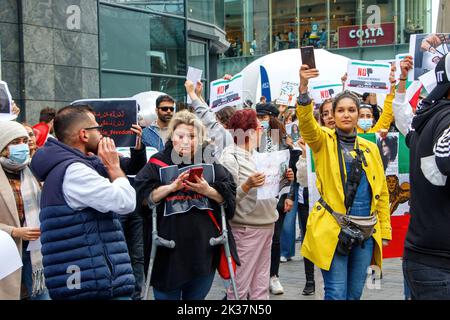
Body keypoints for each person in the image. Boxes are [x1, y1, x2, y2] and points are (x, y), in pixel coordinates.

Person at [296, 64, 392, 300]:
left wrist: (386, 230)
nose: (346, 114)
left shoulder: (370, 147)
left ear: (359, 114)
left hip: (367, 232)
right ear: (333, 115)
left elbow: (381, 193)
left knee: (354, 294)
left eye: (351, 110)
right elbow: (307, 125)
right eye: (340, 110)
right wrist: (303, 88)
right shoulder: (322, 141)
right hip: (334, 229)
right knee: (336, 293)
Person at [30, 104, 137, 300]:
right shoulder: (74, 171)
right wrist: (113, 167)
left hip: (88, 281)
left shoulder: (68, 167)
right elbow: (125, 202)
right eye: (97, 128)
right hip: (92, 285)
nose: (102, 134)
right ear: (84, 135)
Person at [134, 110, 237, 300]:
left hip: (203, 252)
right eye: (180, 135)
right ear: (172, 136)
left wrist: (208, 191)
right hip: (167, 254)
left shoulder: (211, 162)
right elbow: (142, 199)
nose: (186, 141)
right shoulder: (157, 162)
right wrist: (170, 188)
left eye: (192, 136)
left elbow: (229, 200)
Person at [400, 53, 450, 299]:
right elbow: (446, 155)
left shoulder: (429, 118)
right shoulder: (445, 117)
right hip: (438, 265)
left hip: (428, 259)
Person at [220, 109, 281, 299]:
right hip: (246, 228)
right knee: (240, 285)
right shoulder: (230, 157)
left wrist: (284, 180)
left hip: (266, 224)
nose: (262, 129)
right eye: (259, 126)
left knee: (260, 286)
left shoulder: (257, 155)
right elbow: (226, 199)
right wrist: (247, 185)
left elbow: (268, 191)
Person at [0, 121, 49, 300]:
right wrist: (14, 231)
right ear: (3, 146)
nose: (22, 146)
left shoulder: (33, 170)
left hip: (35, 248)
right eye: (15, 142)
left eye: (24, 140)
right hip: (5, 250)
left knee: (41, 294)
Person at [185, 80, 234, 160]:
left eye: (216, 118)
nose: (214, 119)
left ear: (224, 121)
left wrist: (191, 93)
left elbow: (207, 117)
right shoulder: (232, 132)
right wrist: (198, 96)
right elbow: (209, 113)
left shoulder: (224, 134)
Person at [357, 65, 396, 134]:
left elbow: (387, 113)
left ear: (372, 119)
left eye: (368, 116)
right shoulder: (349, 134)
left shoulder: (376, 132)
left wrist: (391, 86)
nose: (365, 119)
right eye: (361, 116)